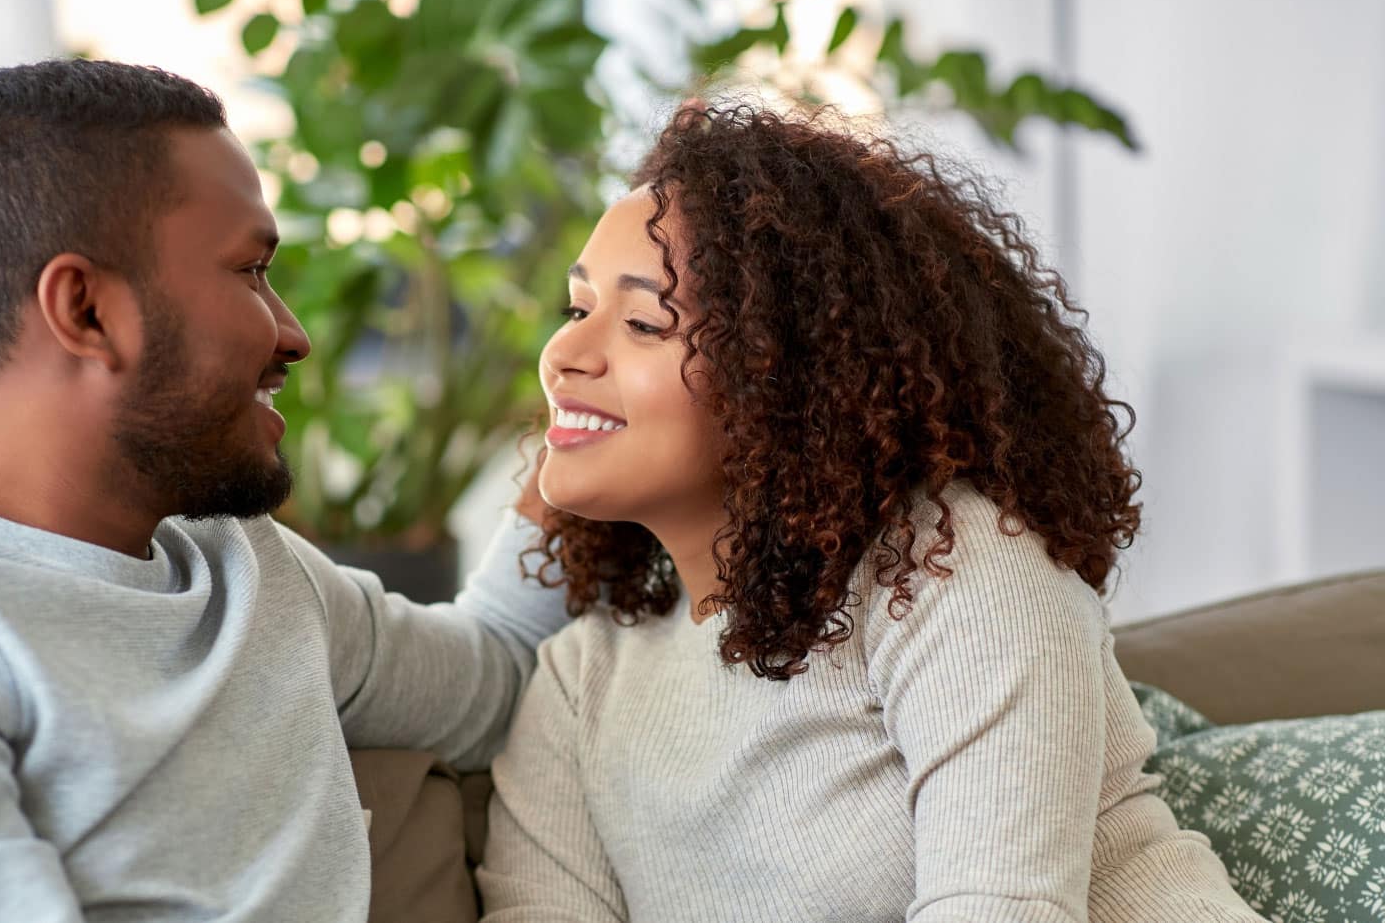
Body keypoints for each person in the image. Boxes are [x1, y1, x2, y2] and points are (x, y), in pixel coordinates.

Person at [0, 59, 568, 923]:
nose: (293, 335)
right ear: (85, 310)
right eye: (251, 271)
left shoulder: (246, 568)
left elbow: (498, 680)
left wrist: (583, 440)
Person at [476, 102, 1266, 922]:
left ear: (788, 374)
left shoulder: (950, 568)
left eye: (645, 323)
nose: (563, 354)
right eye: (576, 309)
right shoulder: (579, 683)